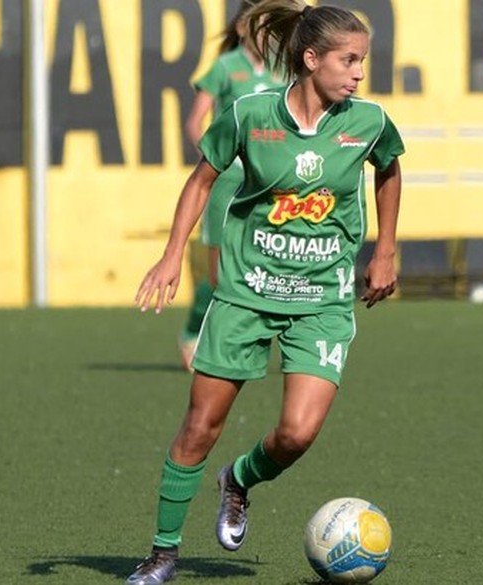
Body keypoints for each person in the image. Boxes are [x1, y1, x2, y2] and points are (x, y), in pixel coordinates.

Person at [128, 0, 404, 582]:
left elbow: (390, 167)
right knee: (200, 428)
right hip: (246, 293)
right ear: (311, 59)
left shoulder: (368, 121)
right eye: (349, 60)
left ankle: (240, 481)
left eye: (362, 61)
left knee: (298, 433)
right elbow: (201, 179)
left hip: (321, 302)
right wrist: (172, 255)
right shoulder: (250, 115)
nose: (358, 73)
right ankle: (162, 554)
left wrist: (385, 248)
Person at [178, 0, 283, 371]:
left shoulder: (281, 71)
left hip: (268, 184)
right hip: (229, 183)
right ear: (241, 28)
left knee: (263, 262)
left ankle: (242, 342)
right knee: (219, 272)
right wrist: (216, 160)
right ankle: (194, 331)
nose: (267, 34)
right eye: (260, 25)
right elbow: (194, 122)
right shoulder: (225, 68)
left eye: (272, 26)